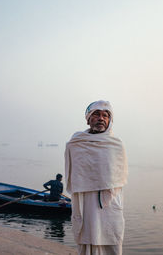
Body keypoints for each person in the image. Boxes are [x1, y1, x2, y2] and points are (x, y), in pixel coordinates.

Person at [65, 100, 128, 255]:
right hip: (84, 201)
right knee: (87, 242)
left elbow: (119, 175)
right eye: (97, 114)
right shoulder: (76, 142)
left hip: (109, 202)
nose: (101, 118)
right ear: (88, 119)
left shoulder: (116, 144)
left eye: (105, 115)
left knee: (111, 242)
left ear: (109, 120)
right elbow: (73, 173)